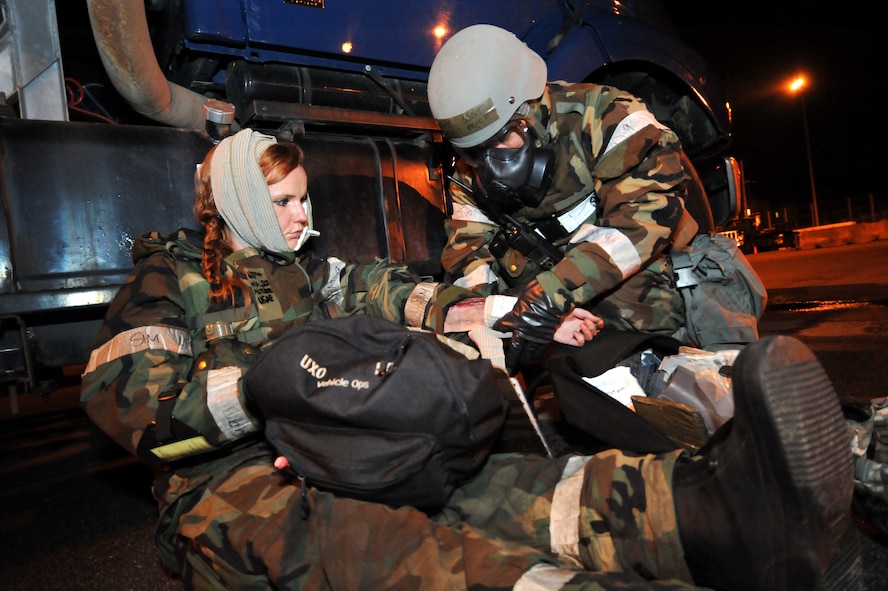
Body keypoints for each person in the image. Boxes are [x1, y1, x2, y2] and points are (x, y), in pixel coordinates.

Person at [80, 128, 859, 590]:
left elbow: (394, 291)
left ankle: (718, 509)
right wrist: (257, 393)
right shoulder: (169, 275)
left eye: (305, 198)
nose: (303, 215)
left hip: (339, 441)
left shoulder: (313, 271)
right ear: (242, 203)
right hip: (228, 482)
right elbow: (123, 399)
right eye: (282, 202)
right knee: (381, 545)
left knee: (491, 476)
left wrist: (507, 312)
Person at [427, 24, 703, 373]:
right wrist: (489, 315)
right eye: (475, 152)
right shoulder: (469, 173)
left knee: (637, 299)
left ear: (529, 109)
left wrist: (552, 294)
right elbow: (468, 251)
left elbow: (641, 220)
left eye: (500, 141)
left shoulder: (607, 117)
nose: (490, 167)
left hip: (616, 274)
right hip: (542, 289)